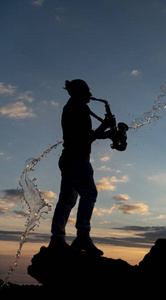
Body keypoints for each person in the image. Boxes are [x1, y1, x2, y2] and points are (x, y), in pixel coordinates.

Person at [49, 79, 112, 255]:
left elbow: (86, 135)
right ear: (78, 92)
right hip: (77, 159)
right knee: (89, 194)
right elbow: (85, 137)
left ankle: (57, 240)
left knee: (66, 202)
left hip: (69, 159)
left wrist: (105, 133)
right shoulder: (77, 108)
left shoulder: (73, 107)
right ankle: (82, 237)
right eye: (87, 91)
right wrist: (105, 127)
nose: (91, 95)